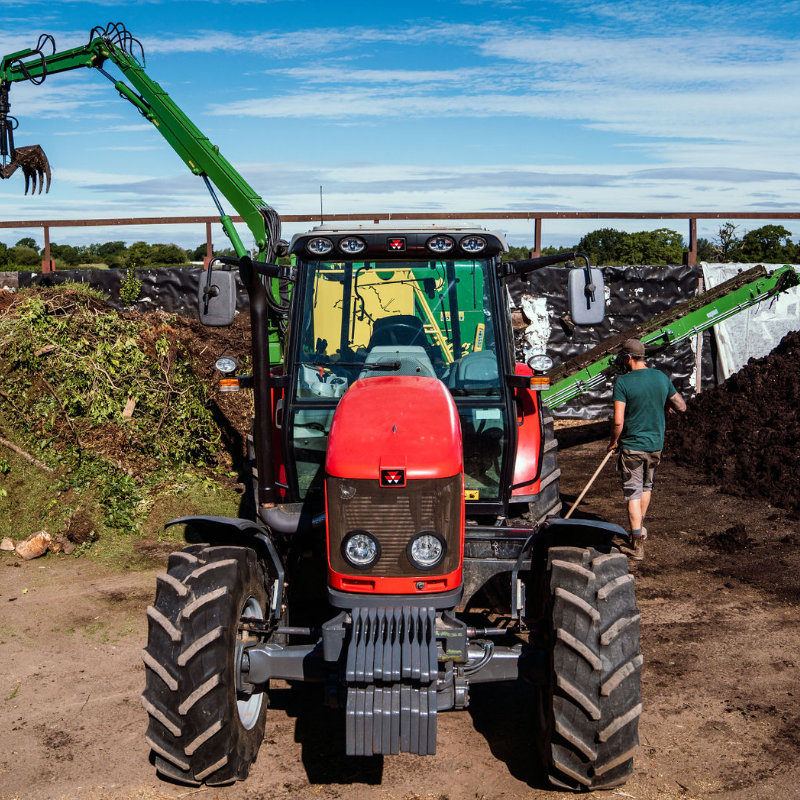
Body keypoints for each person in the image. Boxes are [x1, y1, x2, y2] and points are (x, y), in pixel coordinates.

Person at [607, 338, 686, 560]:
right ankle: (640, 527)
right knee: (646, 486)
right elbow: (681, 406)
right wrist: (665, 403)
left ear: (628, 358)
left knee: (633, 493)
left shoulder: (623, 382)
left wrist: (613, 442)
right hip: (655, 446)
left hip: (632, 446)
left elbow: (618, 421)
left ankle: (637, 542)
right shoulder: (661, 377)